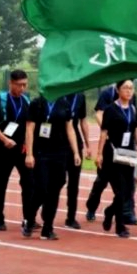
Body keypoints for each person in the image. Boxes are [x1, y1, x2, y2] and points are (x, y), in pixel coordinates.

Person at [25, 94, 81, 240]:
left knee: (55, 190)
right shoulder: (37, 103)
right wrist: (29, 154)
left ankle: (47, 228)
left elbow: (70, 128)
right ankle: (29, 218)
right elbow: (30, 128)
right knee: (41, 189)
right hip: (41, 152)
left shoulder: (64, 103)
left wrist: (76, 152)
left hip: (60, 152)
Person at [86, 83, 137, 224]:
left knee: (128, 185)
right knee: (102, 181)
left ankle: (127, 213)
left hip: (127, 148)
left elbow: (133, 121)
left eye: (131, 88)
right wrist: (109, 127)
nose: (129, 90)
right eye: (125, 87)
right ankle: (92, 206)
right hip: (111, 146)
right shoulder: (107, 94)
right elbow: (99, 113)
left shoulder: (132, 99)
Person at [0, 70, 35, 233]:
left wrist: (29, 151)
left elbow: (29, 127)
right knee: (1, 184)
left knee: (29, 184)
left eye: (25, 85)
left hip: (22, 150)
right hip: (4, 149)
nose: (22, 88)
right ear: (11, 83)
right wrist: (5, 139)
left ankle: (28, 219)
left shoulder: (27, 101)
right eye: (19, 85)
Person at [65, 92, 90, 228]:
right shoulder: (58, 94)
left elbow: (83, 121)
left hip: (76, 145)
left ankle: (71, 217)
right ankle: (46, 211)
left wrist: (88, 145)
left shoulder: (80, 97)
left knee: (74, 183)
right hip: (58, 143)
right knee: (55, 181)